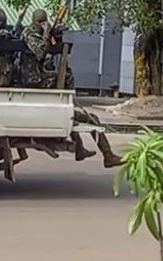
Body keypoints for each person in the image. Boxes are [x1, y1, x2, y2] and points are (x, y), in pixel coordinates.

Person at [21, 9, 122, 167]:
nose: (44, 25)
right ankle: (107, 156)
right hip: (35, 80)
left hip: (38, 78)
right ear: (38, 22)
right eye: (42, 23)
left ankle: (81, 148)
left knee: (72, 116)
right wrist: (47, 33)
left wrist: (54, 34)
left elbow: (47, 53)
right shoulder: (30, 33)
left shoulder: (34, 32)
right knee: (87, 116)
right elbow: (40, 52)